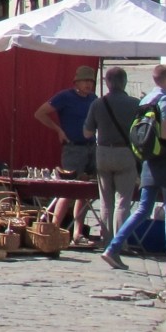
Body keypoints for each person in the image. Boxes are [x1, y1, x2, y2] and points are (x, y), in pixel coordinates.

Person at [101, 64, 166, 276]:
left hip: (149, 161)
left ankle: (113, 247)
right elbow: (165, 133)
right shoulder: (165, 99)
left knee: (143, 209)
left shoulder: (146, 100)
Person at [36, 65, 98, 237]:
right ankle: (54, 228)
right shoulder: (65, 96)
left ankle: (78, 231)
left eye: (91, 81)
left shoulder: (93, 99)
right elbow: (40, 113)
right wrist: (58, 130)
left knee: (85, 191)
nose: (88, 84)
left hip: (91, 147)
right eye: (85, 81)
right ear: (76, 82)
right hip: (73, 148)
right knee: (67, 190)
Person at [85, 66, 140, 246]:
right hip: (125, 152)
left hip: (103, 153)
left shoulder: (98, 103)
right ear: (124, 82)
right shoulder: (134, 103)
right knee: (123, 202)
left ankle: (107, 240)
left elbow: (87, 132)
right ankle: (120, 242)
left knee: (105, 202)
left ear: (107, 83)